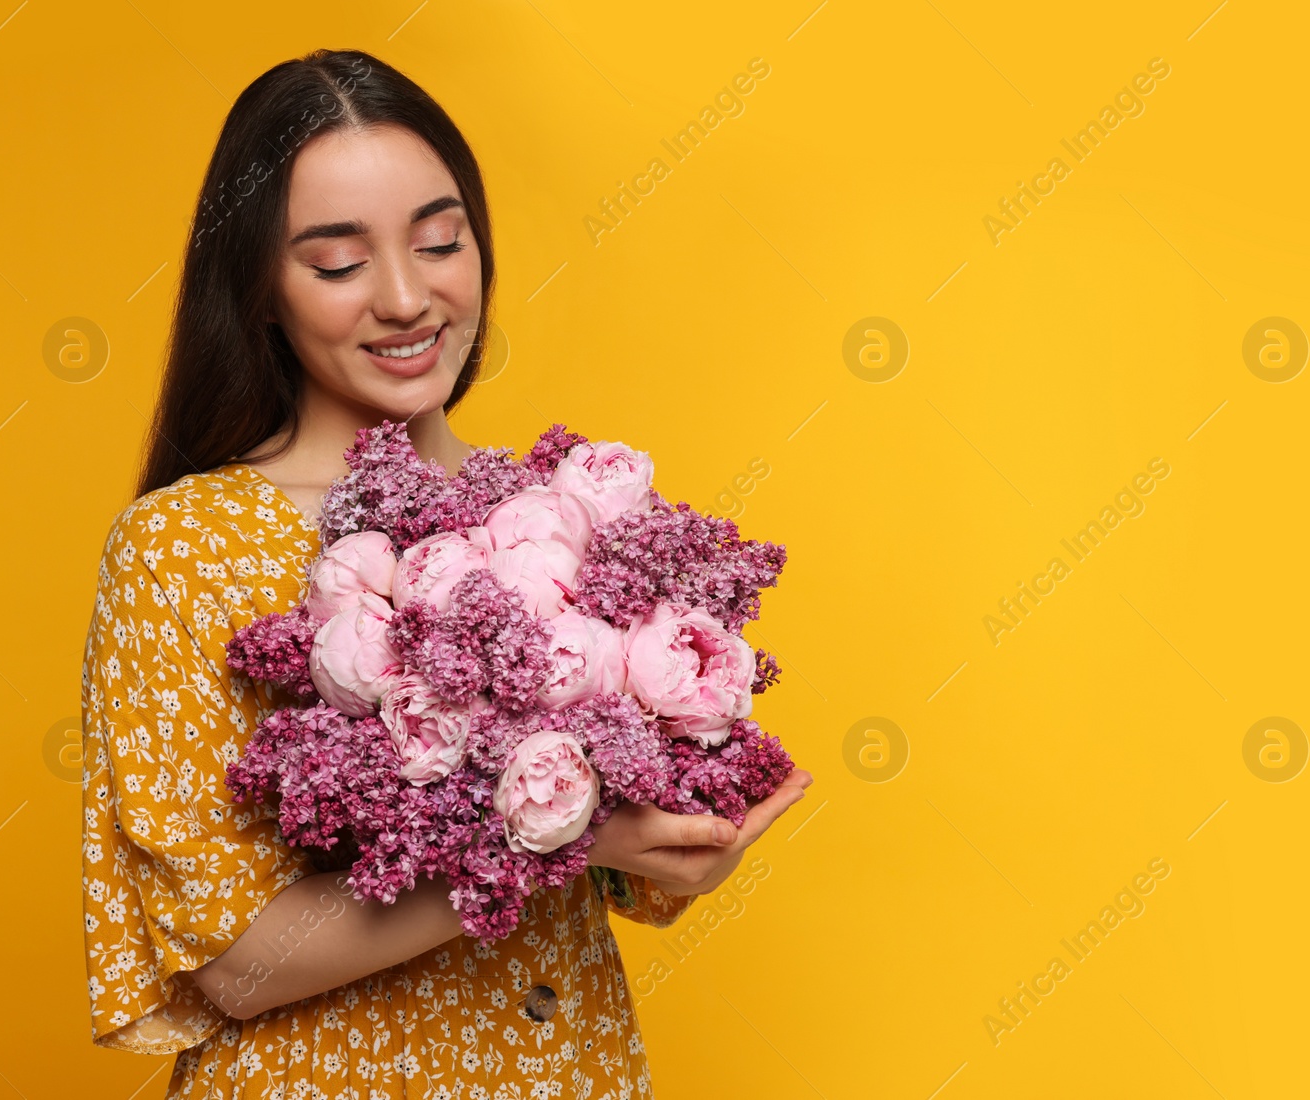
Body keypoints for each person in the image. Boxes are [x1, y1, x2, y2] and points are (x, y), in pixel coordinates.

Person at [79, 47, 812, 1098]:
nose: (405, 297)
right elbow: (237, 963)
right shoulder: (184, 547)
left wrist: (691, 826)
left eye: (439, 242)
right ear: (259, 292)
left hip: (566, 1068)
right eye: (337, 264)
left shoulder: (564, 510)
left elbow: (625, 873)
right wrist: (548, 832)